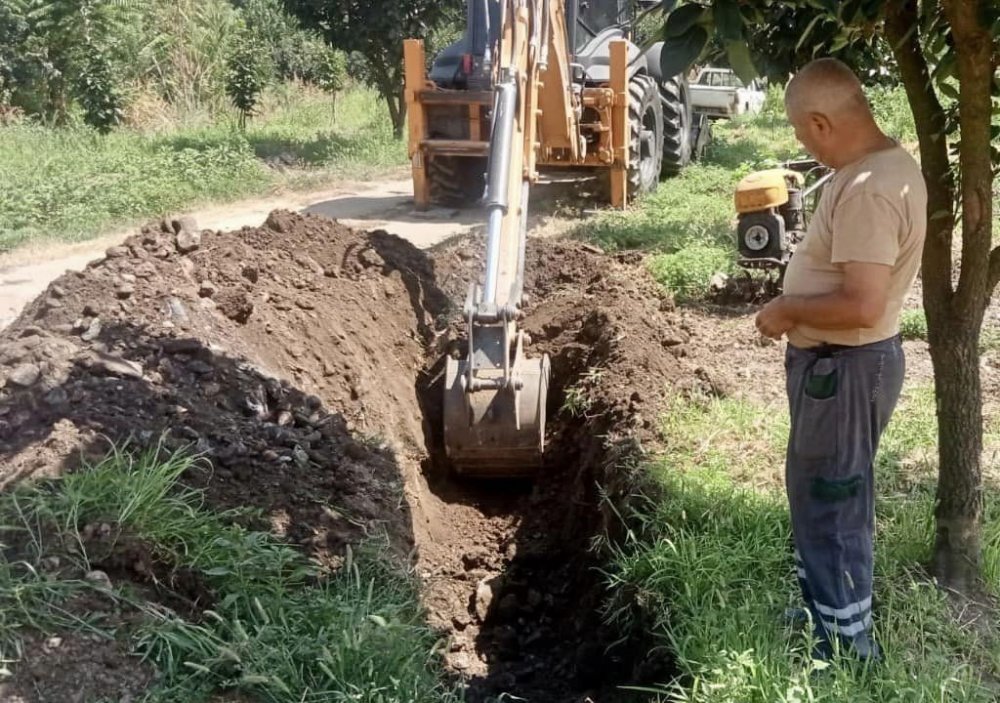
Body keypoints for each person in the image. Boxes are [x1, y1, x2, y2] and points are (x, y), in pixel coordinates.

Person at [754, 58, 927, 663]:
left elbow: (862, 302)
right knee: (819, 492)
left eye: (803, 134)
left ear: (822, 122)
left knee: (833, 500)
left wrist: (786, 307)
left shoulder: (870, 189)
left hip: (844, 367)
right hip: (840, 367)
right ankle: (823, 612)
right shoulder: (881, 170)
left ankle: (847, 648)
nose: (805, 145)